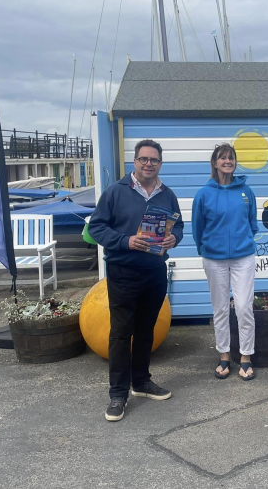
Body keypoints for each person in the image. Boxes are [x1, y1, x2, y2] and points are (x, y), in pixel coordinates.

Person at [88, 139, 184, 422]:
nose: (148, 164)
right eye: (144, 159)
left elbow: (178, 225)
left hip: (154, 272)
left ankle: (141, 382)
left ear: (160, 164)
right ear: (135, 161)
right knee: (120, 334)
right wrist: (125, 241)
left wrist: (173, 238)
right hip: (123, 272)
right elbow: (96, 227)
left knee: (146, 331)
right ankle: (118, 394)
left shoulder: (167, 194)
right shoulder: (115, 192)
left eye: (154, 160)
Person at [192, 143, 259, 381]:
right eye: (223, 158)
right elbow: (197, 228)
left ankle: (246, 357)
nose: (227, 161)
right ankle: (224, 355)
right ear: (214, 162)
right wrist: (207, 249)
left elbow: (253, 223)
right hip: (214, 258)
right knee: (220, 308)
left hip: (243, 257)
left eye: (231, 157)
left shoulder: (246, 191)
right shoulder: (203, 194)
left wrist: (246, 240)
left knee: (243, 307)